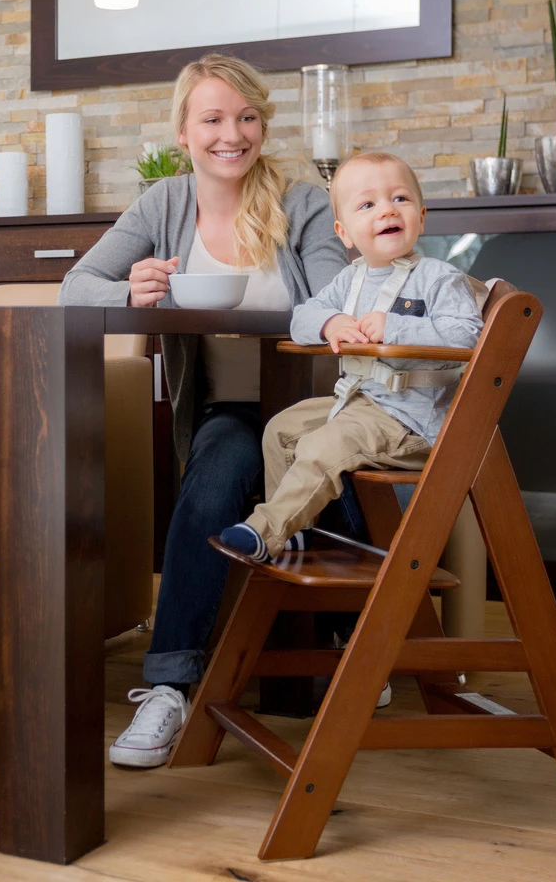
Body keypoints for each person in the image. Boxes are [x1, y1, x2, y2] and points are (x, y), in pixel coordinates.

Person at [58, 54, 347, 768]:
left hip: (314, 410)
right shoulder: (163, 205)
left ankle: (354, 645)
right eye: (213, 119)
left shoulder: (304, 203)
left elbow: (337, 300)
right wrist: (131, 291)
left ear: (262, 127)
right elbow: (76, 286)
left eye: (246, 117)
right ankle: (169, 687)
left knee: (342, 482)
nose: (232, 134)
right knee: (214, 477)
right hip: (233, 409)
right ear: (183, 132)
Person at [218, 151, 484, 563]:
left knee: (325, 443)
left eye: (400, 199)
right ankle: (296, 532)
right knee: (281, 429)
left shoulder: (438, 277)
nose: (387, 210)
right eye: (367, 204)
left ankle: (266, 530)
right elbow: (302, 317)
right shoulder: (350, 279)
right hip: (362, 403)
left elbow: (468, 336)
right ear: (344, 233)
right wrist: (330, 322)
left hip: (413, 421)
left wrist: (394, 328)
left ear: (421, 217)